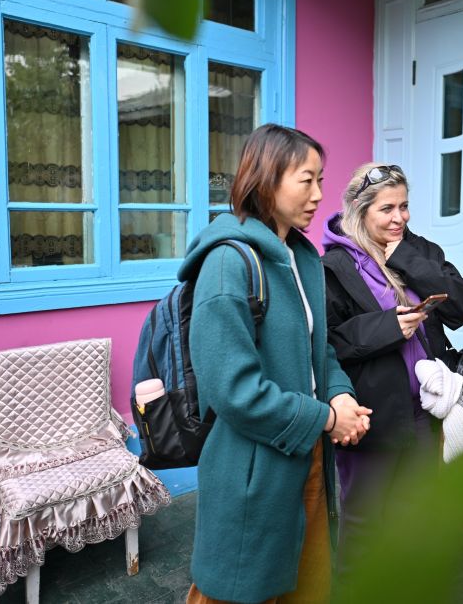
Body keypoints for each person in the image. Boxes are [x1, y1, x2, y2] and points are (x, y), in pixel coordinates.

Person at [182, 124, 372, 604]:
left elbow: (318, 349)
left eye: (320, 180)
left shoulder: (300, 258)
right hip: (253, 467)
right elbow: (233, 391)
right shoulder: (228, 264)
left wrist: (340, 395)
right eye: (306, 180)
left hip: (307, 454)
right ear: (266, 180)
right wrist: (326, 418)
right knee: (238, 589)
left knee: (305, 584)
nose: (319, 194)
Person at [321, 163, 463, 571]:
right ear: (360, 211)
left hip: (425, 412)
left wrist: (407, 259)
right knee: (364, 524)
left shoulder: (419, 250)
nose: (399, 218)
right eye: (387, 209)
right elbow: (325, 344)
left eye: (404, 206)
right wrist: (387, 327)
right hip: (370, 418)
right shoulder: (333, 267)